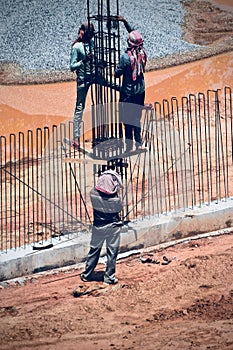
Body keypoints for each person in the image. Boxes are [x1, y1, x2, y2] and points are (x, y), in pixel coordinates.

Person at [80, 169, 123, 285]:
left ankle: (87, 274)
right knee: (112, 253)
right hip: (113, 228)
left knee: (94, 251)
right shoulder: (115, 199)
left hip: (98, 227)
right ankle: (109, 277)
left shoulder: (93, 193)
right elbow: (119, 208)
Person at [115, 17, 147, 152]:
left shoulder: (125, 58)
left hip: (128, 93)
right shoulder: (142, 53)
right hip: (140, 91)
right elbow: (134, 33)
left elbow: (117, 73)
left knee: (127, 120)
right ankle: (138, 143)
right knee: (136, 118)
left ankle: (128, 146)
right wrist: (124, 22)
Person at [70, 22, 95, 150]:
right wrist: (84, 61)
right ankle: (76, 138)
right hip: (83, 80)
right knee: (79, 107)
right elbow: (72, 66)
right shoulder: (77, 47)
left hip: (94, 76)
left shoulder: (92, 44)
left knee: (113, 85)